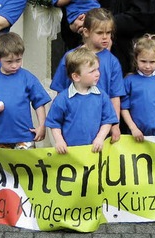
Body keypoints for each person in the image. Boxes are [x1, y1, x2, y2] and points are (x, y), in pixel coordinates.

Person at [50, 8, 125, 141]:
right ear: (86, 32)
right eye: (100, 32)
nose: (105, 37)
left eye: (108, 32)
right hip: (72, 124)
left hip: (101, 126)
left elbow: (115, 96)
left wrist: (115, 125)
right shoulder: (70, 57)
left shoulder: (112, 61)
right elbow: (60, 92)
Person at [0, 32, 51, 149]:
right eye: (9, 62)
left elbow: (39, 102)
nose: (15, 65)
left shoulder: (27, 78)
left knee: (26, 166)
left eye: (18, 60)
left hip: (25, 137)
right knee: (1, 167)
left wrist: (42, 126)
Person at [46, 48, 118, 154]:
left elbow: (108, 120)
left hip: (95, 152)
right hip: (70, 153)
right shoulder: (63, 98)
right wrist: (59, 141)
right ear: (76, 76)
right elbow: (54, 123)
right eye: (92, 71)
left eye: (97, 69)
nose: (97, 74)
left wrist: (100, 138)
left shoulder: (102, 96)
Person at [120, 34, 155, 144]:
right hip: (136, 136)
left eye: (152, 62)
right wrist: (133, 128)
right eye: (143, 61)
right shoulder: (129, 81)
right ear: (136, 59)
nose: (147, 66)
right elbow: (124, 108)